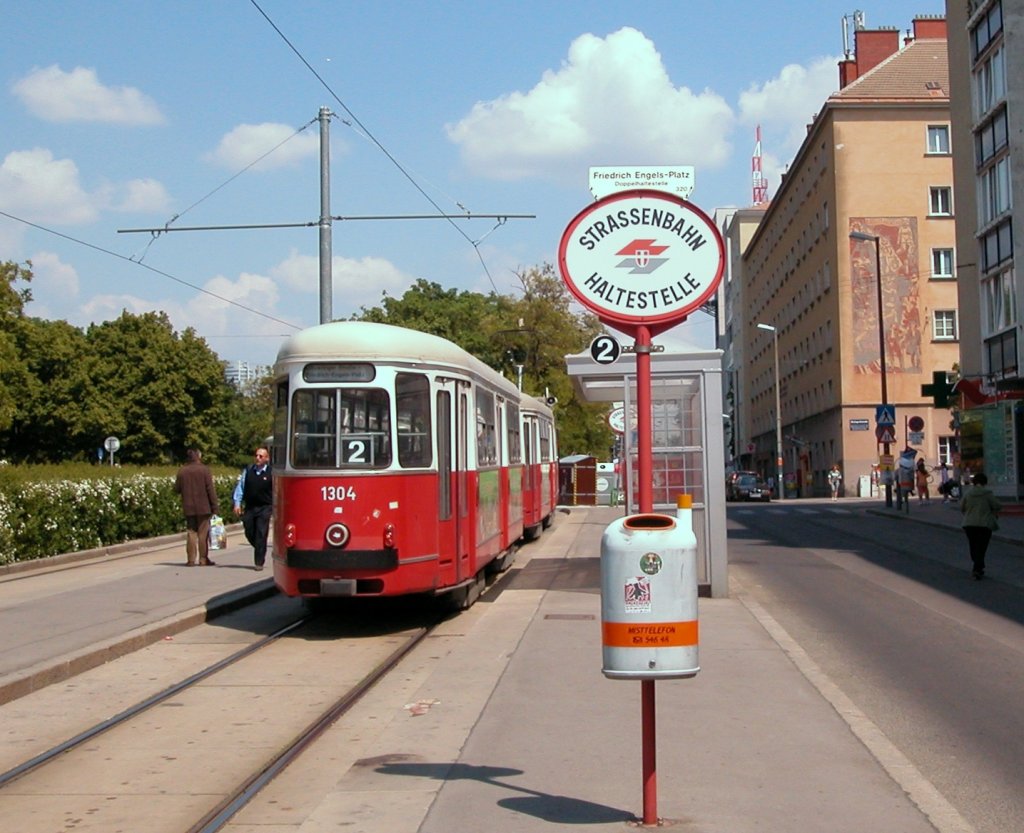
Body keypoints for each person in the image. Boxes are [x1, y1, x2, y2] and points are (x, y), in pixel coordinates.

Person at [173, 448, 220, 567]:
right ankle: (203, 559)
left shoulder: (182, 471)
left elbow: (176, 489)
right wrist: (215, 506)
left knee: (191, 533)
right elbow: (210, 490)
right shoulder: (204, 470)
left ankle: (190, 560)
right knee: (203, 534)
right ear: (198, 456)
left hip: (188, 507)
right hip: (204, 507)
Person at [233, 446, 273, 571]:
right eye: (256, 455)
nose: (257, 458)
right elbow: (241, 487)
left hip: (265, 507)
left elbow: (277, 491)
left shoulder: (271, 473)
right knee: (249, 530)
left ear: (267, 458)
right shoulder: (248, 470)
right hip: (250, 507)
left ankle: (259, 562)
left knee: (261, 532)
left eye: (261, 456)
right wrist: (237, 503)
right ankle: (260, 547)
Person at [960, 471, 1001, 580]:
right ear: (984, 482)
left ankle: (978, 566)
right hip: (984, 524)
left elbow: (962, 506)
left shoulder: (968, 493)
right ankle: (977, 568)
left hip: (969, 524)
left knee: (973, 545)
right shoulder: (987, 493)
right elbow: (997, 505)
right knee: (982, 547)